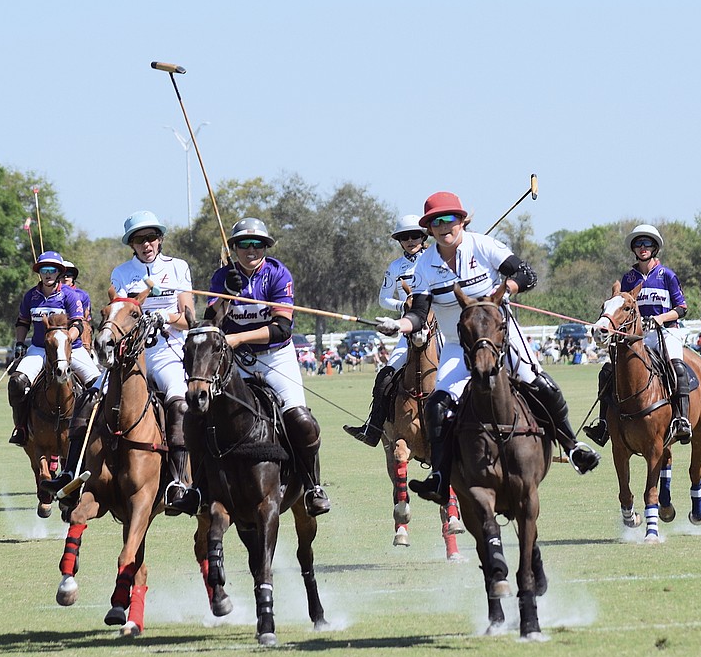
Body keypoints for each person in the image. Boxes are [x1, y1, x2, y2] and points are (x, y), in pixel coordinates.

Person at [373, 192, 600, 505]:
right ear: (430, 229)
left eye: (449, 219)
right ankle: (440, 476)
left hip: (499, 336)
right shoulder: (425, 265)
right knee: (437, 404)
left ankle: (572, 446)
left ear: (462, 220)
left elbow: (526, 274)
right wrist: (399, 326)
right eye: (435, 222)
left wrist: (506, 288)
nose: (443, 226)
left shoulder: (483, 246)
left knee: (541, 383)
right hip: (456, 343)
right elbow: (418, 311)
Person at [173, 217, 330, 517]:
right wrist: (226, 298)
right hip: (236, 365)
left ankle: (312, 486)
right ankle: (197, 488)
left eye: (257, 244)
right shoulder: (223, 277)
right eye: (243, 245)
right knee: (196, 418)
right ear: (234, 248)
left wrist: (237, 337)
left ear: (265, 248)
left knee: (301, 421)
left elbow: (282, 328)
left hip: (275, 358)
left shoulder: (278, 274)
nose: (250, 250)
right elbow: (210, 322)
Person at [42, 211, 195, 512]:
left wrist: (164, 316)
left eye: (151, 237)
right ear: (132, 245)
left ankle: (179, 481)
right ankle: (70, 475)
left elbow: (189, 318)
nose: (146, 244)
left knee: (178, 399)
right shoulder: (122, 272)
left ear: (160, 239)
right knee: (89, 397)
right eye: (139, 240)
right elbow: (119, 311)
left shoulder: (178, 268)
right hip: (131, 356)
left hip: (166, 352)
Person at [583, 224, 693, 447]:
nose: (643, 247)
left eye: (647, 244)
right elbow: (620, 307)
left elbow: (682, 307)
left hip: (665, 332)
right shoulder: (629, 278)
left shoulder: (667, 275)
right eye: (638, 244)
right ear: (633, 249)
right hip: (636, 337)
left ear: (655, 248)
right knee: (607, 372)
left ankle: (681, 420)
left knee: (677, 368)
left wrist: (660, 319)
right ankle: (604, 425)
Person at [343, 215, 430, 446]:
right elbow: (383, 299)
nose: (410, 240)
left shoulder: (435, 259)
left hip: (437, 329)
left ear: (423, 236)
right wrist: (403, 306)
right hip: (407, 329)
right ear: (399, 241)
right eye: (404, 237)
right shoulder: (395, 267)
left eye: (414, 236)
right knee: (385, 376)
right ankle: (372, 429)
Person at [8, 251, 101, 446]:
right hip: (40, 348)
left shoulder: (70, 295)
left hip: (71, 349)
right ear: (39, 273)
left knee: (98, 384)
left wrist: (67, 340)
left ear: (58, 272)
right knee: (17, 383)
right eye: (44, 270)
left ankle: (97, 429)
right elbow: (22, 322)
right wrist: (19, 343)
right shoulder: (30, 296)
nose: (48, 274)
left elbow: (78, 324)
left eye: (52, 270)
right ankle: (21, 427)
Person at [60, 258, 93, 352]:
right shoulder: (51, 293)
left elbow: (86, 319)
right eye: (62, 275)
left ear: (73, 277)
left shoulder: (83, 295)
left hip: (77, 331)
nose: (65, 277)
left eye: (69, 274)